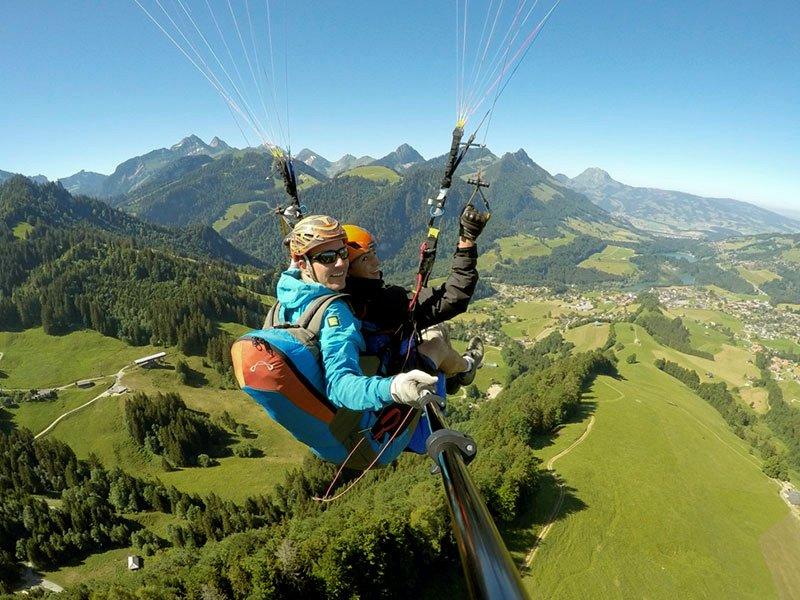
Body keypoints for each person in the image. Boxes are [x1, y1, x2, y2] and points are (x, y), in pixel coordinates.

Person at [277, 214, 438, 411]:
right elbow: (339, 385)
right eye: (327, 258)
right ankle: (464, 367)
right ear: (303, 264)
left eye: (343, 253)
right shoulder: (336, 313)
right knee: (437, 341)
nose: (340, 263)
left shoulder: (288, 292)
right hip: (366, 411)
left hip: (312, 412)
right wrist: (394, 387)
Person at [343, 203, 489, 389]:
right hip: (393, 377)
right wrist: (467, 240)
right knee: (437, 339)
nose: (376, 261)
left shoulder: (330, 300)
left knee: (432, 330)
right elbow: (453, 297)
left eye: (373, 253)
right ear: (347, 269)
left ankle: (453, 373)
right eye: (365, 258)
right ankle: (465, 368)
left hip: (370, 374)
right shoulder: (384, 303)